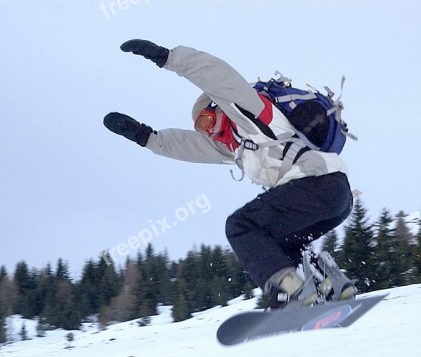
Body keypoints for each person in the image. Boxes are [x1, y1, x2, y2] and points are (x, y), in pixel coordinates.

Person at [103, 39, 356, 309]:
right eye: (202, 128)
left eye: (207, 121)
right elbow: (188, 147)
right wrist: (146, 137)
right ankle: (328, 283)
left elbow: (216, 75)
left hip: (318, 184)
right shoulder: (238, 149)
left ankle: (290, 293)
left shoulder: (255, 114)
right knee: (275, 246)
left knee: (240, 226)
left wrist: (169, 58)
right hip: (333, 198)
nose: (208, 131)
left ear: (220, 108)